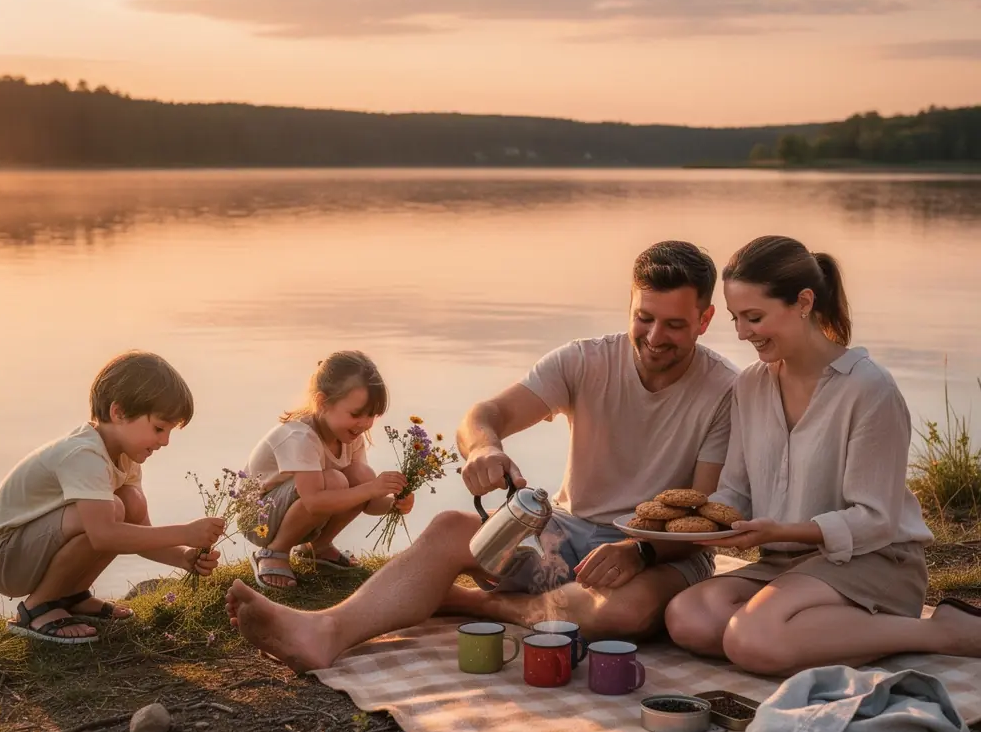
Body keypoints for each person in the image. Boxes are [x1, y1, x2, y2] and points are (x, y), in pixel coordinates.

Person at [225, 240, 739, 670]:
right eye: (644, 318)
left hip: (657, 553)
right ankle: (325, 631)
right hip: (568, 532)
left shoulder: (724, 390)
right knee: (451, 528)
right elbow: (483, 414)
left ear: (706, 317)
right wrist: (486, 448)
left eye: (674, 325)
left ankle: (475, 602)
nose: (654, 337)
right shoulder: (584, 360)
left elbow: (704, 515)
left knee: (621, 614)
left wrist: (638, 551)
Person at [665, 235, 981, 674]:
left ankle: (943, 631)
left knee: (750, 639)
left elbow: (875, 519)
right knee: (689, 618)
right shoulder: (750, 386)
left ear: (803, 302)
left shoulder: (869, 389)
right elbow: (736, 489)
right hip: (786, 565)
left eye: (754, 317)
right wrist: (695, 526)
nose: (741, 333)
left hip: (872, 561)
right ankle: (811, 630)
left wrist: (783, 530)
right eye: (737, 318)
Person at [0, 351, 224, 644]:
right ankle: (36, 609)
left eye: (169, 431)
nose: (164, 441)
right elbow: (104, 536)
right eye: (158, 428)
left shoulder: (127, 458)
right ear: (119, 413)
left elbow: (140, 534)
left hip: (28, 552)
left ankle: (72, 596)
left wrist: (182, 556)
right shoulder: (84, 454)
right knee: (111, 512)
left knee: (131, 503)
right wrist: (186, 531)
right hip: (3, 559)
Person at [242, 350, 413, 590]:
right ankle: (273, 552)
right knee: (336, 481)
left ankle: (318, 547)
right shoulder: (299, 436)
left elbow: (366, 500)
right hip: (258, 518)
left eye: (372, 415)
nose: (364, 423)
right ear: (322, 403)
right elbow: (314, 502)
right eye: (356, 414)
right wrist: (370, 489)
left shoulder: (351, 435)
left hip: (296, 511)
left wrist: (393, 504)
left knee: (361, 475)